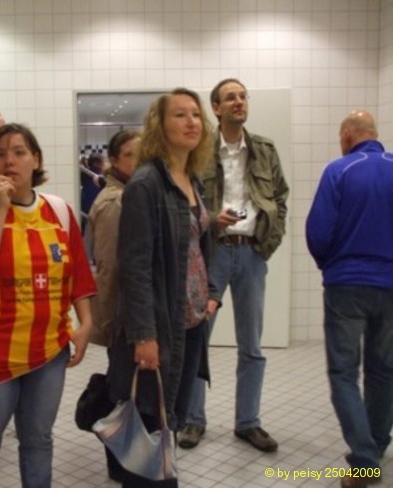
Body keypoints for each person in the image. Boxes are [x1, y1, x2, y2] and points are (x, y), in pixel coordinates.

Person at [0, 123, 96, 488]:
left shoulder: (59, 212)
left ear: (36, 160)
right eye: (0, 154)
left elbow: (78, 273)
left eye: (19, 152)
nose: (9, 161)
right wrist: (0, 208)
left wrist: (86, 323)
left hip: (49, 351)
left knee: (38, 440)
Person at [107, 88, 214, 488]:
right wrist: (144, 334)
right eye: (180, 115)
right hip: (161, 325)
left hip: (191, 321)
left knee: (171, 419)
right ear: (159, 125)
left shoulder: (192, 179)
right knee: (151, 423)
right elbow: (134, 267)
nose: (191, 122)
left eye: (196, 115)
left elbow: (199, 244)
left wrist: (211, 294)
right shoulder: (146, 184)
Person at [180, 78, 289, 453]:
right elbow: (186, 202)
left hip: (251, 253)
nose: (240, 102)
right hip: (211, 253)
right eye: (231, 98)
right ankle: (193, 419)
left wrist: (267, 244)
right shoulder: (200, 151)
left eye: (243, 96)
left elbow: (280, 197)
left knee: (252, 345)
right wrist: (212, 220)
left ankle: (248, 422)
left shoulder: (264, 149)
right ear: (216, 108)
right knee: (198, 340)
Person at [306, 110, 390, 488]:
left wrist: (331, 266)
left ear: (346, 136)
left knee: (343, 372)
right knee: (384, 369)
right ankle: (377, 442)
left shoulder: (338, 170)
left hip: (347, 285)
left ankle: (365, 459)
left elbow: (318, 231)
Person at [87, 129, 140, 482]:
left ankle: (127, 457)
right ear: (115, 161)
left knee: (130, 388)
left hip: (131, 313)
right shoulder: (114, 203)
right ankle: (119, 460)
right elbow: (111, 268)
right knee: (122, 390)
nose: (141, 161)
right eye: (132, 154)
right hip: (123, 314)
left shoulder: (133, 194)